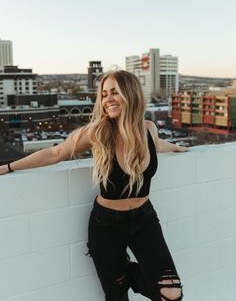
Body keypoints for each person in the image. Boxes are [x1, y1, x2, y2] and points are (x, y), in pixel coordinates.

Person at [0, 70, 186, 301]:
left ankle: (125, 273)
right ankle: (120, 275)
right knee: (116, 295)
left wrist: (177, 148)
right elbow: (56, 153)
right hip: (106, 224)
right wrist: (8, 167)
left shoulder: (148, 128)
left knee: (171, 293)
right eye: (104, 94)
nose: (108, 99)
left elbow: (156, 145)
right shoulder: (98, 132)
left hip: (145, 221)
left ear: (131, 94)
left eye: (115, 92)